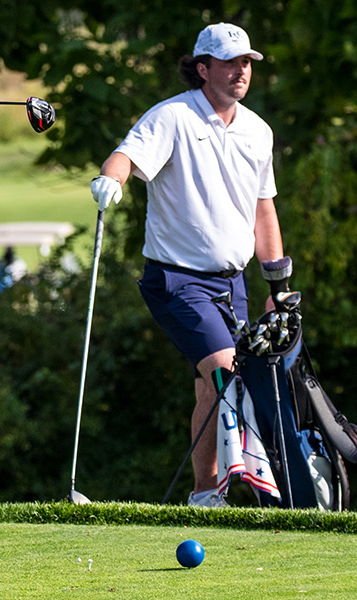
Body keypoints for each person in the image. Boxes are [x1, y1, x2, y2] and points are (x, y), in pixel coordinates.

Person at [90, 23, 284, 508]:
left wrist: (277, 282)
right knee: (224, 371)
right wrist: (110, 180)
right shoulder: (173, 116)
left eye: (246, 63)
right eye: (229, 62)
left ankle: (204, 494)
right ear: (203, 69)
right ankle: (227, 487)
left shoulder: (258, 131)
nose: (241, 71)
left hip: (233, 282)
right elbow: (126, 157)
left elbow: (264, 210)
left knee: (208, 387)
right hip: (176, 279)